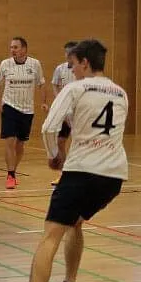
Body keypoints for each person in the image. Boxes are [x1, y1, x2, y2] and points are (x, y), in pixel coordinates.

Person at [0, 38, 128, 282]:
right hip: (114, 176)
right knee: (75, 224)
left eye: (74, 64)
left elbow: (48, 128)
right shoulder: (120, 93)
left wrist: (54, 155)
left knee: (50, 237)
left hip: (81, 172)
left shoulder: (76, 88)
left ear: (85, 63)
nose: (72, 70)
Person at [0, 36, 46, 189]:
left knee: (20, 145)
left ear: (24, 49)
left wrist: (43, 102)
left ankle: (13, 171)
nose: (12, 50)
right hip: (9, 106)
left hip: (27, 110)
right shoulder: (5, 64)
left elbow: (42, 84)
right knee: (10, 140)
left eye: (15, 47)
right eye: (11, 47)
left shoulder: (35, 64)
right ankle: (10, 175)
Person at [50, 41, 77, 185]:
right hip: (65, 112)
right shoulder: (60, 69)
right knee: (60, 141)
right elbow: (55, 84)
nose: (68, 55)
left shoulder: (83, 70)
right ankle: (63, 173)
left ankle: (78, 173)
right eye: (66, 52)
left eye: (70, 52)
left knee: (78, 143)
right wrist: (59, 99)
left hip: (78, 112)